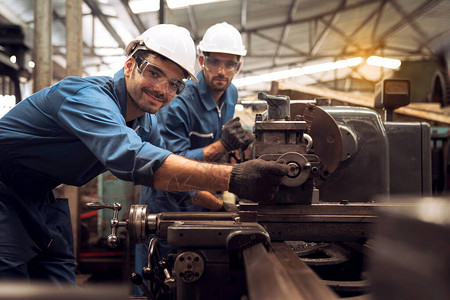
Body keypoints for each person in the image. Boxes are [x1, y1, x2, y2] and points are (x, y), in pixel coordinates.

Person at [0, 24, 288, 284]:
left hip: (41, 197)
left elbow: (176, 181)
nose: (162, 89)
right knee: (12, 287)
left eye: (174, 83)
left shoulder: (145, 123)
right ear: (129, 66)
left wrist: (223, 210)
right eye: (154, 72)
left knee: (60, 284)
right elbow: (133, 157)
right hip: (4, 193)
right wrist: (233, 177)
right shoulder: (86, 97)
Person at [134, 23, 250, 279]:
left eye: (230, 64)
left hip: (204, 197)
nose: (222, 71)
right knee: (158, 270)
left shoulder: (231, 93)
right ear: (201, 61)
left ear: (238, 66)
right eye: (214, 62)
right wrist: (222, 146)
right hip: (168, 199)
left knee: (199, 271)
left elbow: (222, 143)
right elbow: (171, 163)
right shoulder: (178, 99)